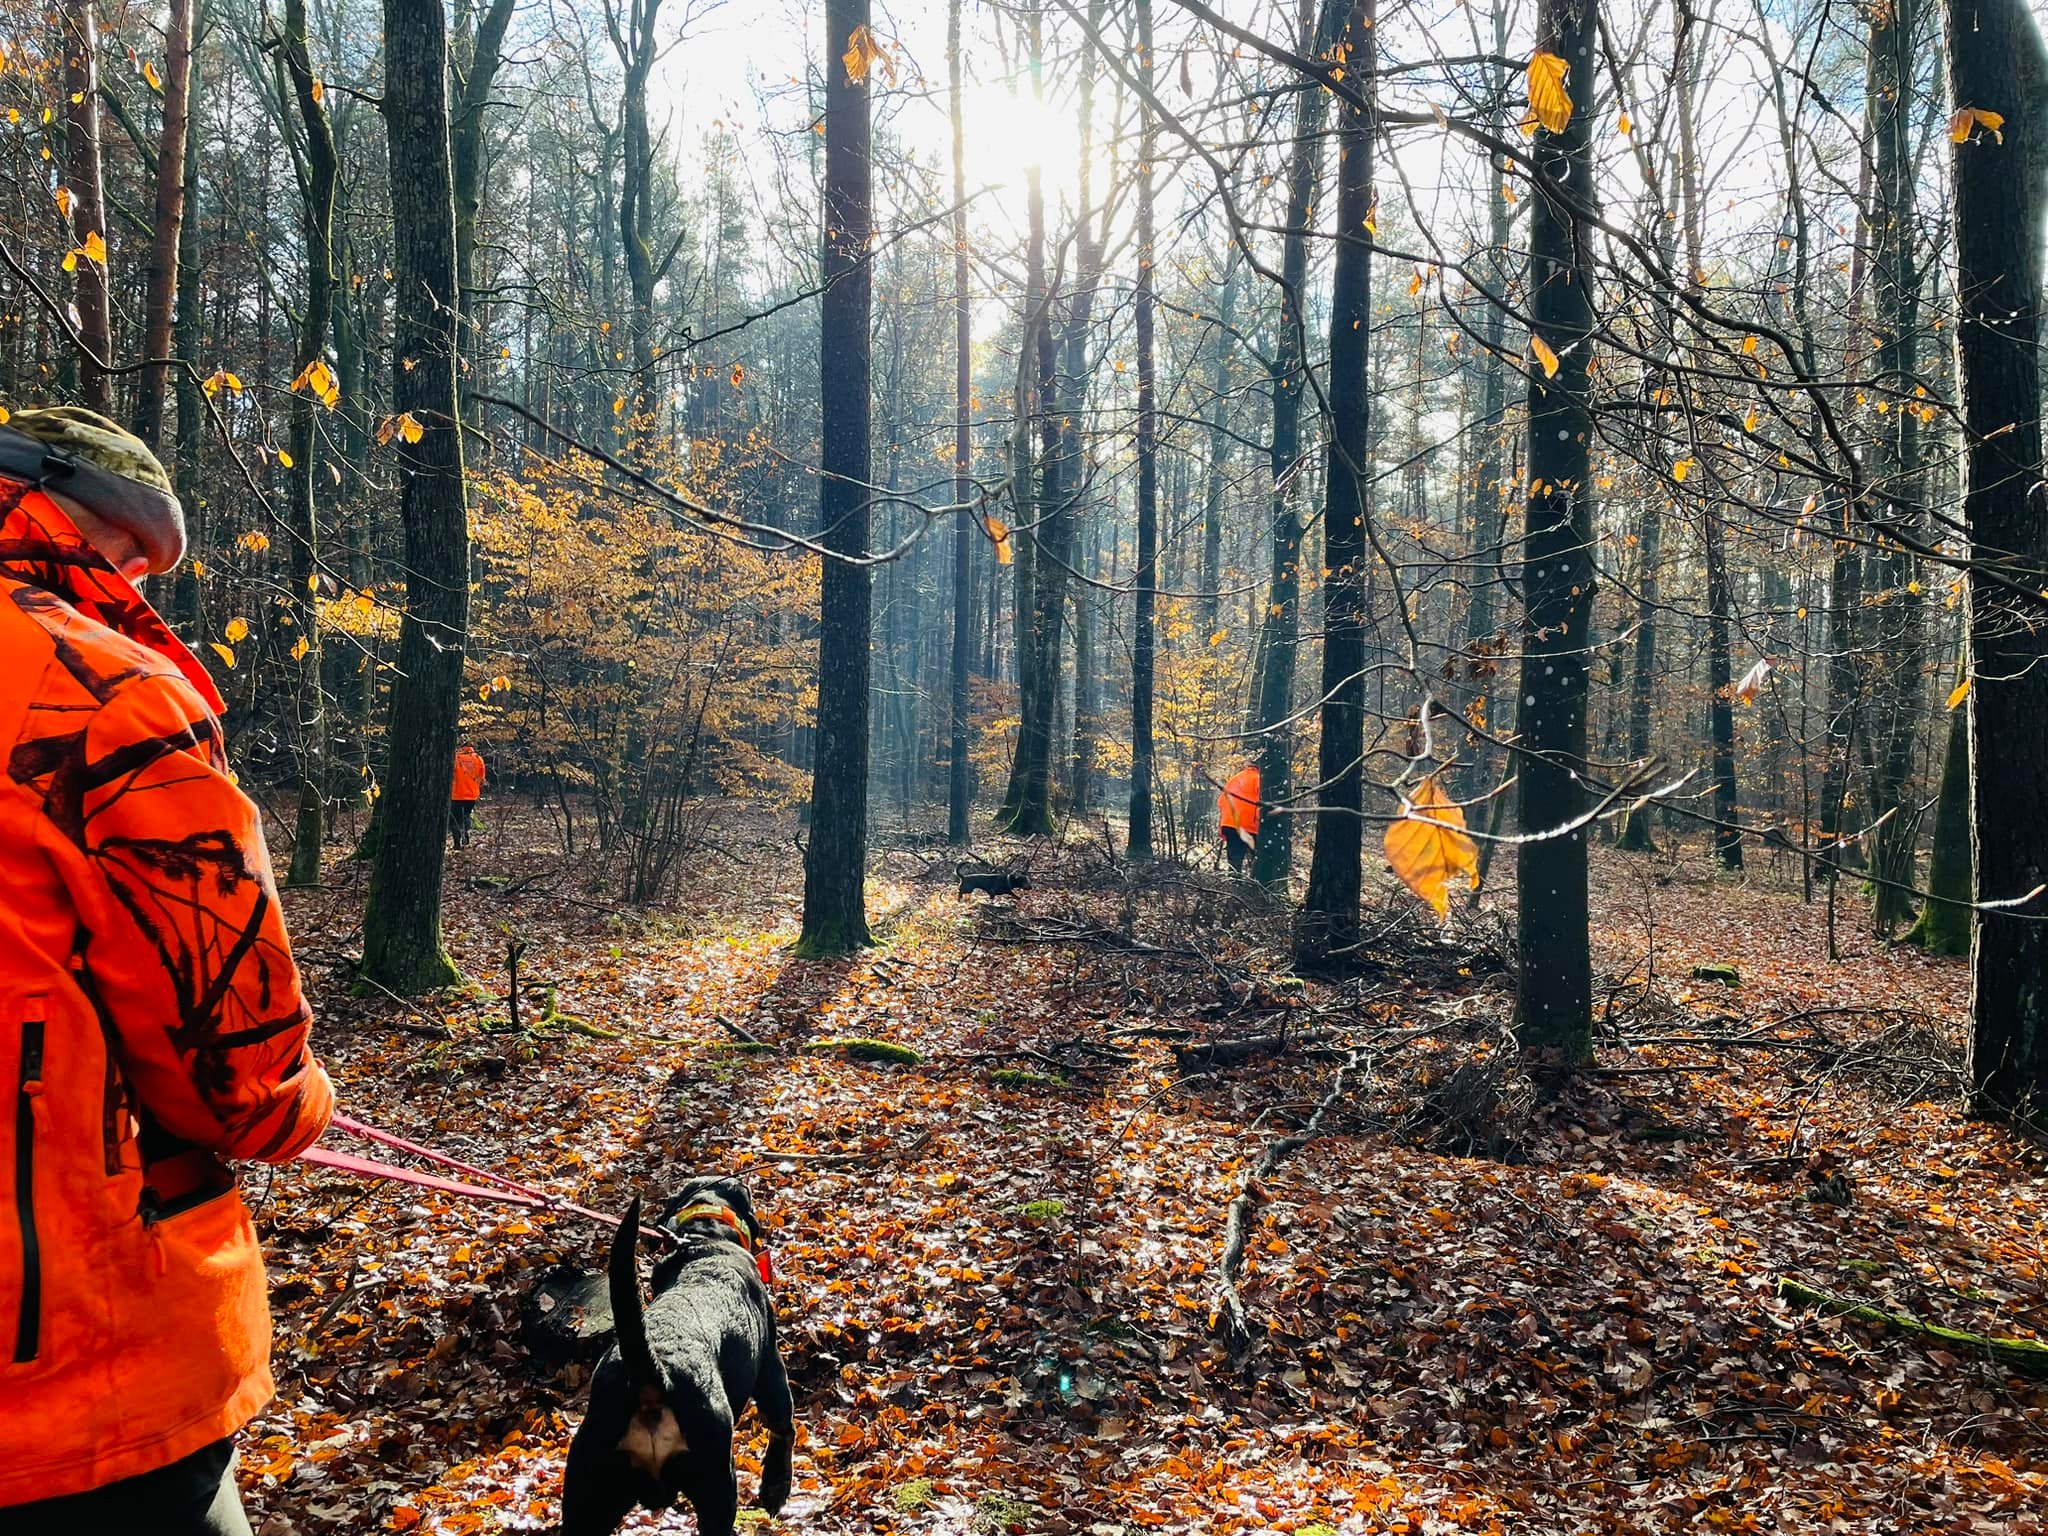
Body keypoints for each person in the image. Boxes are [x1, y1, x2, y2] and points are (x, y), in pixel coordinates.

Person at [0, 407, 334, 1534]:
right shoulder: (103, 693)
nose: (143, 585)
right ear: (71, 521)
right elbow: (233, 1080)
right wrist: (303, 1105)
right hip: (71, 1375)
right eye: (136, 553)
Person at [1218, 763, 1261, 875]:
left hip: (1230, 824)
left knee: (1234, 859)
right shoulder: (1259, 780)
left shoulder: (1235, 778)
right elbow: (1263, 806)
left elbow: (1221, 802)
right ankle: (1253, 887)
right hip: (1249, 826)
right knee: (1258, 858)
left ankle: (1234, 884)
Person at [450, 740, 487, 848]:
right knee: (466, 815)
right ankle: (466, 834)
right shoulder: (478, 759)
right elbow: (482, 778)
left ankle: (457, 843)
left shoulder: (455, 758)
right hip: (472, 794)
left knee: (456, 819)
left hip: (456, 794)